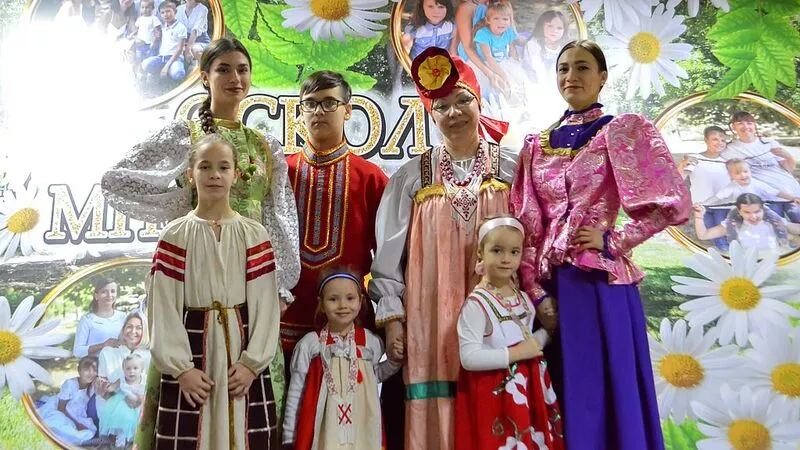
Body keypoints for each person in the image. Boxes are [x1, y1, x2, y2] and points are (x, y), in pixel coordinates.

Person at [101, 38, 300, 438]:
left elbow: (279, 215)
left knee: (249, 409)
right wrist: (180, 203)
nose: (235, 77)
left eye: (242, 69)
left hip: (253, 278)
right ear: (205, 77)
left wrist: (281, 282)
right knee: (190, 414)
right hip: (195, 273)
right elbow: (116, 181)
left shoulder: (266, 144)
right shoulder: (184, 134)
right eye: (223, 69)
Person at [510, 40, 690, 450]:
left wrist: (614, 239)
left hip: (599, 284)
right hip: (551, 289)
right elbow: (527, 227)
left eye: (582, 67)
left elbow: (672, 204)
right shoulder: (536, 144)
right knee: (557, 390)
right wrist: (536, 294)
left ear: (602, 77)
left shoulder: (620, 130)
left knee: (604, 389)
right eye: (563, 68)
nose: (571, 76)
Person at [369, 47, 516, 450]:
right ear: (430, 115)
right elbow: (387, 259)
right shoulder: (412, 177)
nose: (454, 113)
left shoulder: (513, 168)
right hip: (430, 315)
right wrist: (393, 318)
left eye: (462, 100)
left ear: (479, 102)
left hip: (499, 311)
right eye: (441, 106)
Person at [146, 134, 282, 449]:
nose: (215, 175)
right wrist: (182, 369)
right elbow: (162, 307)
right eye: (205, 167)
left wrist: (251, 364)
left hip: (241, 354)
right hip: (193, 352)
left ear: (236, 174)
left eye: (223, 167)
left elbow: (266, 305)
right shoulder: (175, 236)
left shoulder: (254, 234)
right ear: (190, 174)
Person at [282, 71, 388, 362]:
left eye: (329, 103)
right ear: (300, 111)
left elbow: (390, 259)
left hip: (349, 326)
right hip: (283, 323)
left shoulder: (371, 178)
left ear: (348, 110)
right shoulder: (281, 173)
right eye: (310, 103)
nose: (319, 111)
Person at [455, 216, 563, 450]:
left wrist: (549, 332)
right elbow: (469, 357)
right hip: (497, 396)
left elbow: (530, 343)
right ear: (481, 252)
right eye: (497, 251)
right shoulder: (477, 304)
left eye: (514, 252)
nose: (506, 259)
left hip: (531, 390)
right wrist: (516, 353)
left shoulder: (523, 298)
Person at [283, 272, 403, 449]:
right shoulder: (310, 345)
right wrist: (289, 435)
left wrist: (394, 362)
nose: (342, 305)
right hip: (324, 430)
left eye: (350, 298)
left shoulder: (370, 342)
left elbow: (374, 376)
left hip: (362, 427)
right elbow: (296, 392)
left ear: (360, 301)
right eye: (333, 299)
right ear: (321, 304)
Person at [722, 110, 800, 219]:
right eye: (740, 123)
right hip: (766, 198)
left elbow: (789, 168)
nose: (745, 126)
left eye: (749, 123)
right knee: (776, 227)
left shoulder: (769, 143)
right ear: (733, 127)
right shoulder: (729, 149)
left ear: (755, 125)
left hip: (791, 192)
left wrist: (788, 156)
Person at [677, 125, 730, 249]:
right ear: (706, 140)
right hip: (702, 207)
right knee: (712, 237)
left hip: (723, 206)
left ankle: (728, 256)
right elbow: (679, 179)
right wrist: (682, 165)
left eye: (723, 140)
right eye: (715, 139)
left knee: (723, 239)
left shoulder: (727, 161)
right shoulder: (695, 159)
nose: (720, 143)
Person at [694, 194, 800, 253]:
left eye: (757, 212)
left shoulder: (773, 222)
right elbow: (703, 235)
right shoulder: (733, 225)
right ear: (739, 211)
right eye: (747, 212)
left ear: (763, 210)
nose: (753, 217)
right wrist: (699, 217)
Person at [703, 159, 800, 221]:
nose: (743, 175)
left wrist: (792, 198)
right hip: (741, 214)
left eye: (746, 172)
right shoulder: (731, 187)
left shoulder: (756, 183)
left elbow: (775, 192)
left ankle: (782, 238)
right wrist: (703, 204)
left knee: (776, 220)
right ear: (730, 175)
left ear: (750, 172)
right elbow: (717, 197)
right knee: (732, 224)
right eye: (738, 173)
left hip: (758, 211)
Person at [38, 356, 99, 447]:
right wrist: (76, 424)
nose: (91, 373)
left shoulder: (92, 387)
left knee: (89, 431)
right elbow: (61, 408)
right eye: (87, 370)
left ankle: (80, 440)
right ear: (79, 370)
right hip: (64, 411)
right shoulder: (70, 384)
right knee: (60, 424)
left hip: (78, 414)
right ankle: (72, 440)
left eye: (95, 370)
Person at [98, 353, 146, 447]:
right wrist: (108, 386)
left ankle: (133, 438)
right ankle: (121, 436)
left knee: (136, 420)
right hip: (123, 401)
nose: (131, 371)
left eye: (135, 368)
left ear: (141, 369)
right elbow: (113, 387)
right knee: (122, 416)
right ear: (123, 369)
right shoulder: (122, 379)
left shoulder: (144, 379)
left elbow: (147, 392)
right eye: (128, 369)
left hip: (138, 402)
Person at [72, 278, 127, 358]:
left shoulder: (123, 317)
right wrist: (103, 345)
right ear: (96, 296)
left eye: (113, 291)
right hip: (96, 364)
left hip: (120, 364)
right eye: (104, 292)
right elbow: (77, 352)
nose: (109, 295)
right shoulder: (87, 320)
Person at [141, 0, 188, 83]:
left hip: (175, 58)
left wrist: (167, 66)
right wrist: (155, 38)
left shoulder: (181, 28)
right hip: (162, 58)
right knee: (145, 64)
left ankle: (168, 70)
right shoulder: (163, 27)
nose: (165, 15)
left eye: (168, 11)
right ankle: (161, 71)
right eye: (162, 13)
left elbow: (179, 49)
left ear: (175, 12)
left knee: (178, 74)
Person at [176, 0, 211, 67]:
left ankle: (204, 68)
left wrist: (188, 48)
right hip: (184, 39)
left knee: (194, 49)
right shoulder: (179, 9)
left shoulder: (203, 9)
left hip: (200, 40)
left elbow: (195, 30)